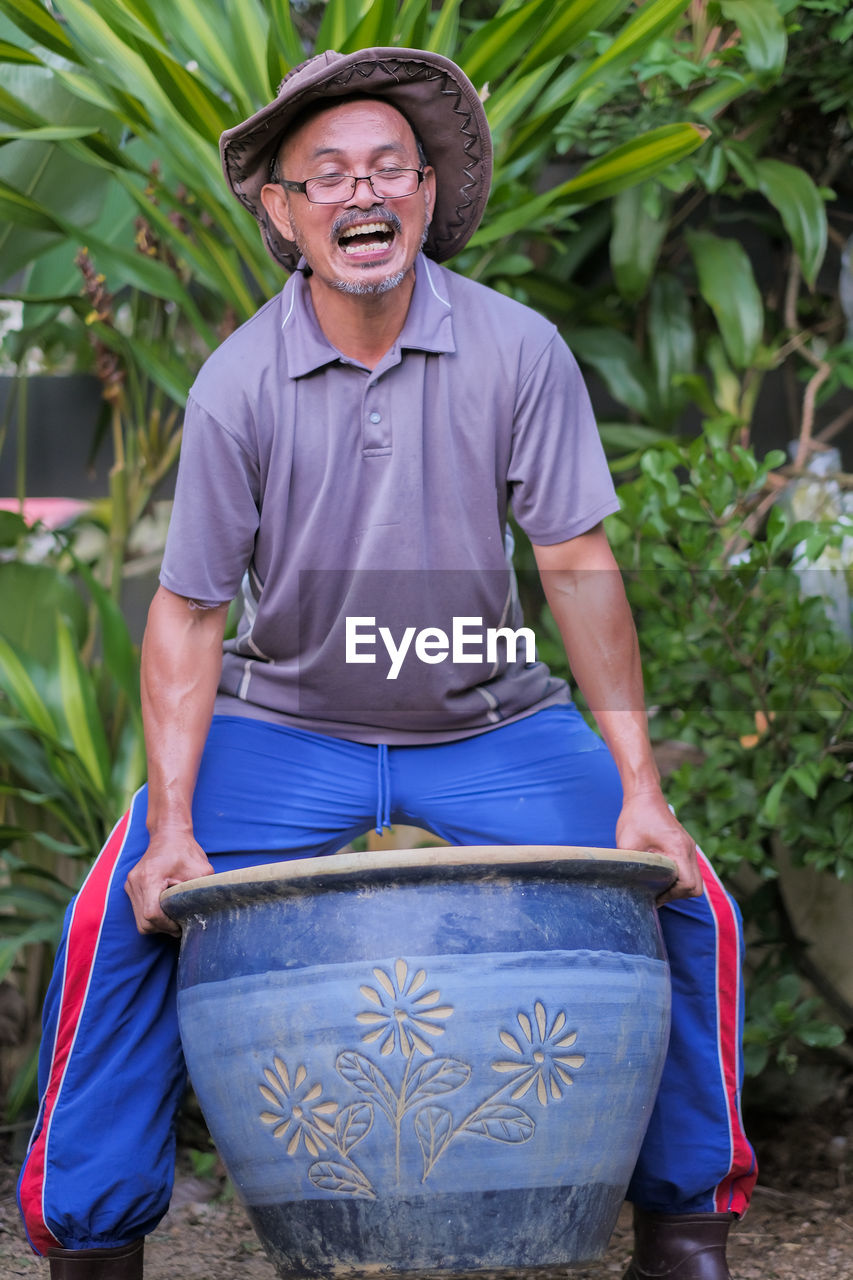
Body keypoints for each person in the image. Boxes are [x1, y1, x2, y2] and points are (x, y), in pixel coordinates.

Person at [18, 47, 756, 1280]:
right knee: (116, 915)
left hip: (487, 715)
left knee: (689, 893)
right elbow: (189, 614)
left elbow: (575, 566)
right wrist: (176, 826)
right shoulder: (238, 383)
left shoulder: (518, 352)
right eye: (327, 176)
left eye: (387, 169)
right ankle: (93, 1247)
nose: (361, 195)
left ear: (425, 192)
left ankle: (686, 1227)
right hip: (291, 719)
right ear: (284, 210)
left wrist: (640, 787)